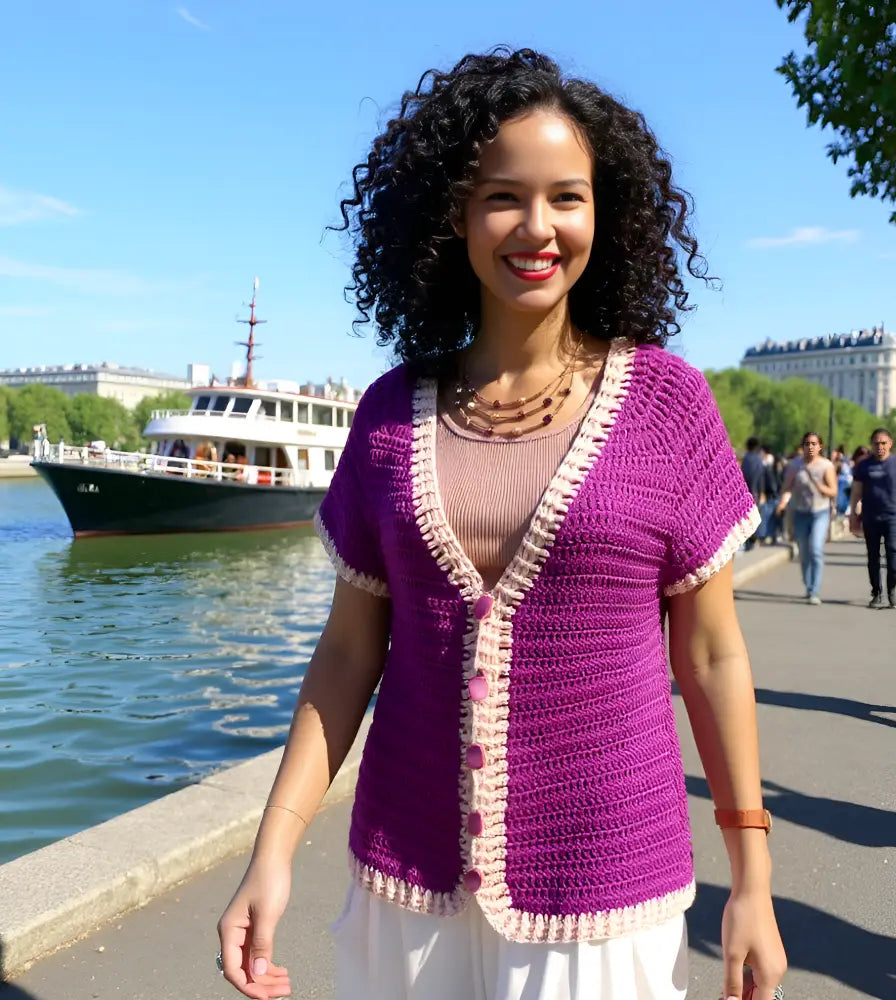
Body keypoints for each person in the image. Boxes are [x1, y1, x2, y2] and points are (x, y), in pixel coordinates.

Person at [217, 48, 785, 1000]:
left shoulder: (667, 405)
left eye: (567, 197)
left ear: (605, 212)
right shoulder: (390, 414)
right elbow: (349, 653)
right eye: (502, 198)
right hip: (405, 888)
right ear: (453, 214)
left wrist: (753, 881)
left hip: (605, 890)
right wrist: (269, 854)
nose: (537, 227)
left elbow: (712, 656)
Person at [849, 428, 896, 609]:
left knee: (892, 553)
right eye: (876, 443)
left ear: (890, 444)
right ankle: (877, 592)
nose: (880, 446)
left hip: (893, 517)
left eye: (883, 443)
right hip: (870, 516)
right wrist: (853, 515)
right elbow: (856, 492)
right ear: (871, 445)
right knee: (873, 556)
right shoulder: (864, 465)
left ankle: (892, 591)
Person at [776, 432, 837, 604]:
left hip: (820, 512)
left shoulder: (826, 466)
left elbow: (833, 491)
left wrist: (819, 486)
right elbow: (787, 487)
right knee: (803, 552)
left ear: (820, 447)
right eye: (807, 444)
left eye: (813, 444)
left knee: (816, 549)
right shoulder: (795, 465)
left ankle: (814, 591)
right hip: (800, 512)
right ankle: (808, 585)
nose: (810, 447)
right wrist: (783, 502)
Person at [740, 437, 767, 550]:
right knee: (754, 516)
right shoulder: (758, 459)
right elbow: (760, 477)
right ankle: (753, 540)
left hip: (744, 492)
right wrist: (762, 491)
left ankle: (748, 541)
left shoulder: (745, 459)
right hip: (755, 492)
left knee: (745, 516)